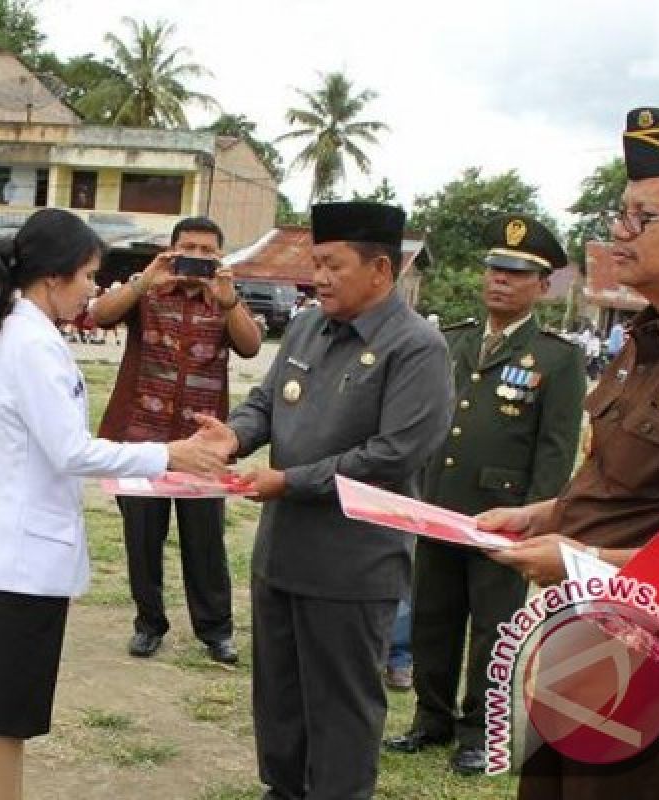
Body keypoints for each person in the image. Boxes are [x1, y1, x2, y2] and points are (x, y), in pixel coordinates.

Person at [482, 106, 659, 800]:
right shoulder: (643, 342)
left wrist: (583, 563)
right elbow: (630, 483)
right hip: (574, 638)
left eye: (643, 217)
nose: (619, 233)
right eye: (620, 213)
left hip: (650, 670)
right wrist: (543, 514)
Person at [0, 208, 227, 800]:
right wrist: (167, 455)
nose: (92, 288)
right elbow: (68, 450)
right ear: (53, 277)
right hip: (22, 556)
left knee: (16, 705)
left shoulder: (36, 334)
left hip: (31, 551)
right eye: (86, 275)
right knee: (5, 708)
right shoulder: (30, 342)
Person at [199, 201, 454, 800]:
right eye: (317, 263)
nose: (320, 277)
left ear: (382, 271)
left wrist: (290, 481)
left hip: (353, 564)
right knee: (279, 700)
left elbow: (393, 454)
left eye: (333, 265)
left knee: (341, 710)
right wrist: (234, 436)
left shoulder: (417, 347)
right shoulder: (311, 324)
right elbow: (267, 400)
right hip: (283, 553)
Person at [384, 214, 586, 775]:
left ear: (542, 287)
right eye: (495, 269)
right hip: (439, 503)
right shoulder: (452, 340)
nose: (500, 280)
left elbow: (555, 449)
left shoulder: (556, 358)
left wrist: (535, 520)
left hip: (504, 518)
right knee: (432, 616)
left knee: (494, 627)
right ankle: (431, 718)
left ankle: (480, 732)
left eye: (517, 274)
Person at [91, 216, 262, 663]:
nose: (198, 258)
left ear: (221, 256)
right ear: (171, 250)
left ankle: (216, 630)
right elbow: (98, 314)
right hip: (141, 440)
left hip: (202, 445)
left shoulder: (224, 300)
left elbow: (252, 347)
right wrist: (144, 282)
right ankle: (149, 624)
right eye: (189, 247)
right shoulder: (146, 293)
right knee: (142, 537)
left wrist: (228, 302)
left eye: (208, 250)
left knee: (205, 541)